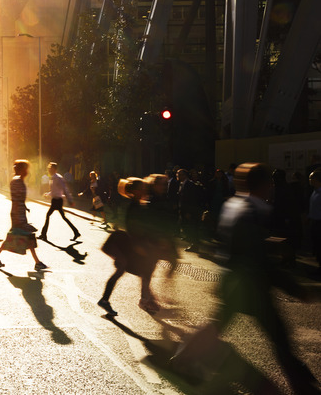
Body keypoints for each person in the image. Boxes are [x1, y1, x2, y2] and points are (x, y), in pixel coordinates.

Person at [173, 164, 320, 393]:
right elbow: (258, 259)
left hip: (235, 282)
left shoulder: (235, 205)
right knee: (279, 338)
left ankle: (183, 358)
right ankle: (304, 386)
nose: (271, 189)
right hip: (250, 286)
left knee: (218, 326)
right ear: (264, 186)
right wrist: (294, 288)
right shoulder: (251, 212)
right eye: (269, 184)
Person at [97, 177, 160, 316]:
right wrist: (139, 247)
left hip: (127, 245)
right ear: (136, 191)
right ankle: (145, 300)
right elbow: (132, 228)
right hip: (125, 245)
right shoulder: (134, 206)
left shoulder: (137, 204)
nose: (145, 191)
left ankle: (106, 300)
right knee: (139, 270)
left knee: (127, 271)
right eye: (142, 189)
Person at [0, 160, 46, 271]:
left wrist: (24, 207)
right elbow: (16, 198)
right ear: (21, 170)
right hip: (17, 213)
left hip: (19, 211)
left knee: (15, 235)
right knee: (27, 235)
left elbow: (18, 198)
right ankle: (37, 262)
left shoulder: (17, 180)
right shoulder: (17, 181)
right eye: (26, 169)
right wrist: (19, 212)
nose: (27, 171)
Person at [39, 162, 80, 242]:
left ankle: (43, 234)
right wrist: (48, 194)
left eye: (50, 168)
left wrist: (70, 200)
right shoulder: (53, 177)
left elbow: (65, 189)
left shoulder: (58, 178)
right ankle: (76, 232)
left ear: (54, 169)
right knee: (63, 217)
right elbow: (54, 190)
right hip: (56, 200)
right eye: (48, 168)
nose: (49, 170)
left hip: (57, 200)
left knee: (48, 215)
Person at [309, 170, 321, 277]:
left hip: (319, 222)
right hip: (314, 221)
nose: (310, 180)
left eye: (311, 178)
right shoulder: (315, 191)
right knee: (316, 246)